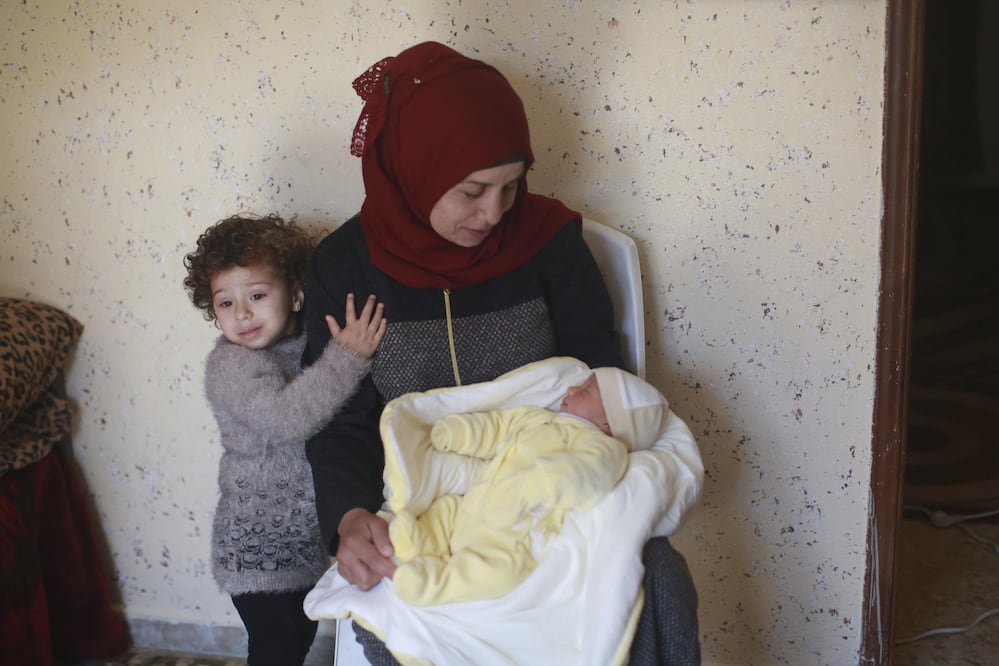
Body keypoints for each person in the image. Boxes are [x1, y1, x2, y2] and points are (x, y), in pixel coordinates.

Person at [303, 41, 700, 665]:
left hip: (551, 478)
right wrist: (350, 517)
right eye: (471, 191)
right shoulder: (346, 267)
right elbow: (339, 421)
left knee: (661, 581)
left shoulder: (548, 243)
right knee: (397, 613)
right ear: (417, 167)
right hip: (424, 498)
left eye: (510, 188)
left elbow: (601, 375)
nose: (493, 214)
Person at [183, 214, 386, 665]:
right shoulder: (232, 366)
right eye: (225, 303)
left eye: (257, 295)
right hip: (258, 549)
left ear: (295, 293)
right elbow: (288, 419)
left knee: (295, 642)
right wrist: (349, 355)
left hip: (300, 544)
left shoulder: (305, 343)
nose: (242, 314)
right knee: (277, 650)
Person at [390, 367, 669, 606]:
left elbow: (589, 475)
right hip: (476, 502)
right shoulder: (536, 418)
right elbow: (496, 427)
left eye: (585, 391)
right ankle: (422, 543)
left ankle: (435, 585)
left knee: (500, 572)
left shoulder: (602, 446)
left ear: (608, 423)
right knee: (447, 508)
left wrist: (535, 484)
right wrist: (459, 432)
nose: (571, 389)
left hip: (516, 530)